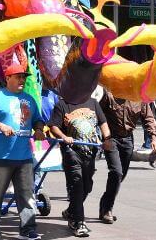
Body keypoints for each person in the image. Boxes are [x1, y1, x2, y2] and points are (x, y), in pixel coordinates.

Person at [0, 64, 45, 240]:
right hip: (1, 156)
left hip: (24, 156)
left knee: (26, 197)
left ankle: (28, 229)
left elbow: (38, 120)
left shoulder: (29, 99)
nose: (22, 80)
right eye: (18, 76)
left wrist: (39, 129)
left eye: (24, 77)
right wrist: (0, 125)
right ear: (8, 78)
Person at [50, 87, 113, 237]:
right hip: (72, 152)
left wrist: (107, 139)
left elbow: (103, 122)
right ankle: (78, 222)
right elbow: (53, 126)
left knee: (87, 186)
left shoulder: (93, 103)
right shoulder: (62, 104)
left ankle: (72, 210)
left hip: (90, 152)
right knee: (77, 185)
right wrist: (64, 136)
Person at [98, 89, 156, 224]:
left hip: (127, 139)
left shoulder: (139, 97)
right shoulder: (109, 95)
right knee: (116, 172)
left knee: (121, 176)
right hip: (111, 138)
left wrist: (153, 138)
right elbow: (98, 115)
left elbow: (148, 118)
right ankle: (108, 209)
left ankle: (105, 202)